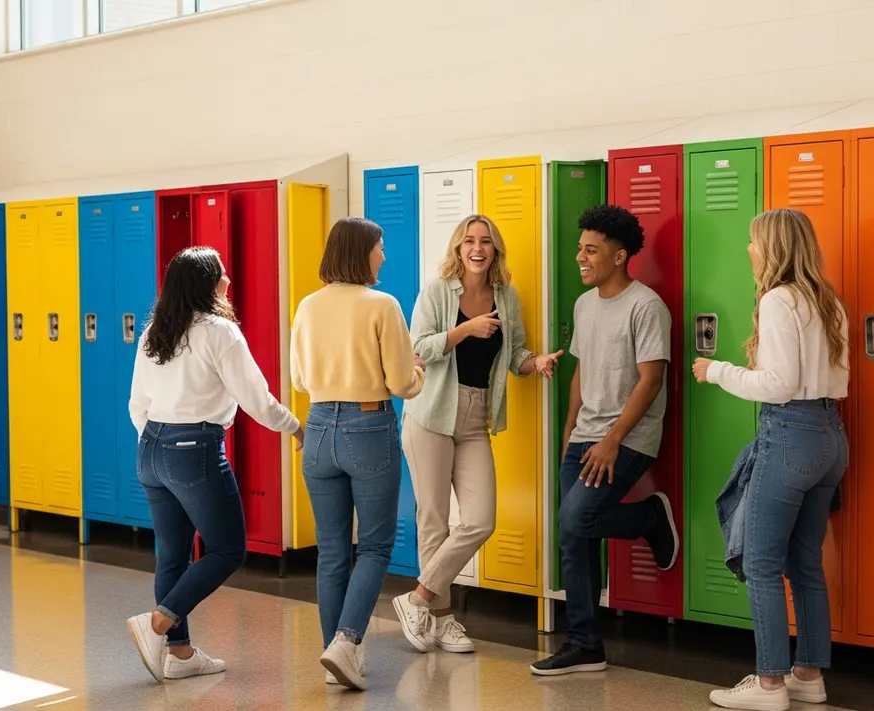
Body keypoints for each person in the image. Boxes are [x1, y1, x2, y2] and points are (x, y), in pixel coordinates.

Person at [125, 246, 305, 683]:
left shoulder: (154, 332)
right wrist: (295, 426)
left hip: (151, 448)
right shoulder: (220, 331)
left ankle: (181, 654)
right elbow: (256, 399)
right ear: (207, 284)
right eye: (222, 274)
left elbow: (137, 404)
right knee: (227, 550)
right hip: (195, 450)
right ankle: (158, 624)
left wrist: (159, 443)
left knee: (173, 554)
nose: (228, 281)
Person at [695, 208, 849, 711]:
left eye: (754, 240)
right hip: (830, 436)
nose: (749, 249)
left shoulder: (779, 299)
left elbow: (779, 385)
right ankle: (808, 676)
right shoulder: (828, 300)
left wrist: (717, 370)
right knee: (804, 562)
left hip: (789, 435)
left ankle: (768, 685)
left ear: (773, 247)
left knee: (761, 564)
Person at [393, 214, 563, 654]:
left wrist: (536, 362)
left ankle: (417, 600)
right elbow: (417, 347)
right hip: (430, 415)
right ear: (458, 247)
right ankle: (441, 620)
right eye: (469, 240)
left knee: (480, 520)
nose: (477, 248)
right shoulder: (437, 291)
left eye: (485, 241)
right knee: (433, 521)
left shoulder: (506, 296)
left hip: (475, 416)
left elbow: (514, 352)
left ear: (495, 250)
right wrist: (466, 329)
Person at [530, 204, 679, 676]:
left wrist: (613, 439)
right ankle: (586, 645)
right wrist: (569, 429)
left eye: (591, 250)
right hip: (584, 436)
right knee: (572, 538)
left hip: (628, 439)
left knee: (576, 517)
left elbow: (651, 379)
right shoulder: (584, 304)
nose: (581, 257)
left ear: (618, 256)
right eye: (581, 249)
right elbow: (582, 369)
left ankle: (649, 517)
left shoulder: (646, 306)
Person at [289, 216, 426, 690]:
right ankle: (346, 643)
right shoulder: (382, 305)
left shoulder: (307, 305)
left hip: (318, 426)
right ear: (362, 252)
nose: (384, 256)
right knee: (374, 545)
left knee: (331, 550)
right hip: (368, 427)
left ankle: (337, 656)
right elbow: (402, 383)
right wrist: (418, 369)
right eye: (379, 248)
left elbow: (299, 380)